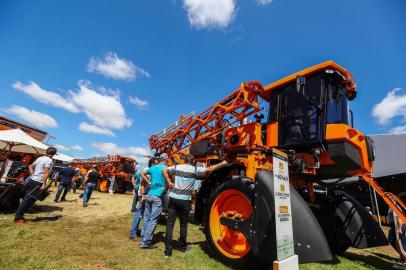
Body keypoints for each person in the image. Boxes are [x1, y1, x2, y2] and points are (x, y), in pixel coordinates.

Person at [163, 155, 228, 257]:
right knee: (183, 225)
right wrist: (223, 163)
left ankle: (167, 251)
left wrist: (168, 181)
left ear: (184, 160)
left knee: (170, 225)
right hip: (184, 201)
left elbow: (164, 170)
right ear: (193, 161)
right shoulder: (195, 170)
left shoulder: (177, 167)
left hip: (173, 198)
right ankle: (182, 247)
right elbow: (210, 169)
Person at [14, 146, 57, 224]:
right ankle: (18, 218)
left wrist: (33, 174)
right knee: (28, 200)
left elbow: (30, 166)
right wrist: (44, 184)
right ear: (53, 154)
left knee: (27, 198)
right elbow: (46, 173)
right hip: (38, 181)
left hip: (32, 180)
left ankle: (19, 216)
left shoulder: (40, 158)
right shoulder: (49, 161)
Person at [139, 153, 173, 248]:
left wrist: (149, 182)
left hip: (149, 194)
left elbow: (142, 173)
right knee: (153, 220)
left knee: (146, 218)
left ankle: (142, 239)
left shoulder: (153, 167)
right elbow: (168, 181)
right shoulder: (166, 169)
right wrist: (165, 190)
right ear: (166, 159)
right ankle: (146, 242)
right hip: (158, 196)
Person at [129, 158, 155, 240]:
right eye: (156, 164)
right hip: (143, 195)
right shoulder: (148, 171)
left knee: (141, 213)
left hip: (143, 194)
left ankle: (136, 232)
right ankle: (133, 233)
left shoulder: (147, 170)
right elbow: (142, 183)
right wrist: (143, 195)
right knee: (139, 213)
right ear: (153, 163)